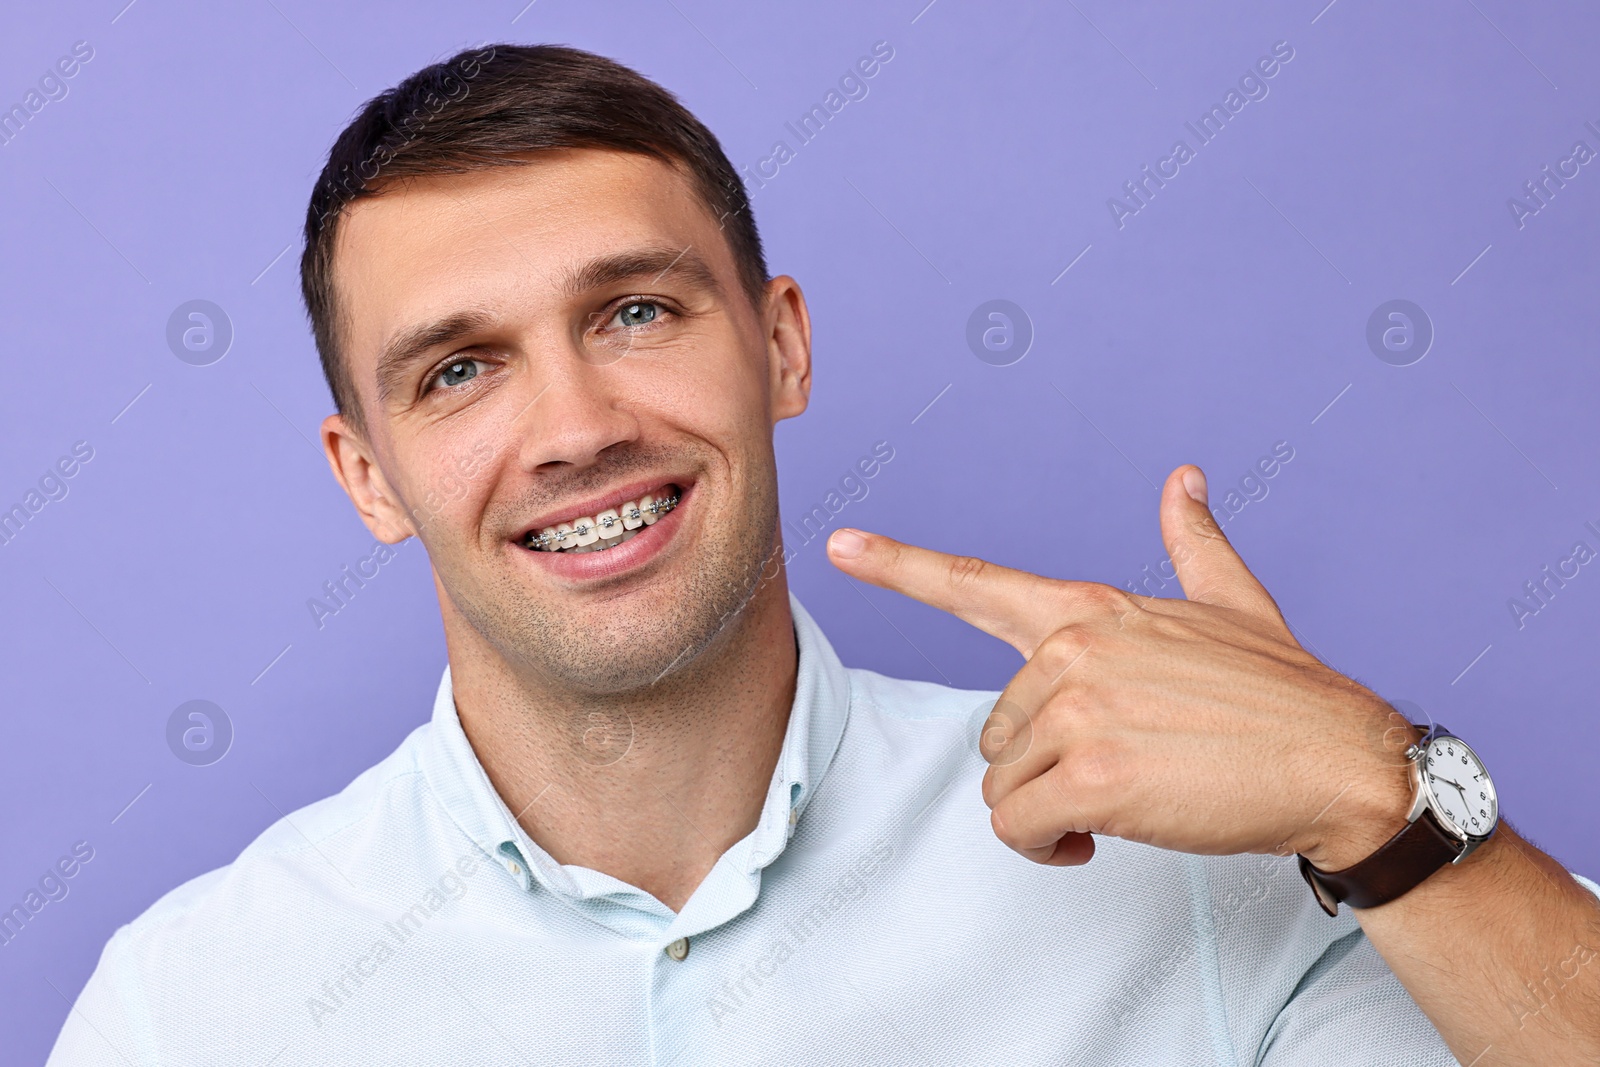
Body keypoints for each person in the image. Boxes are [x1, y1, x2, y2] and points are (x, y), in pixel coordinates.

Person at [50, 44, 1600, 1066]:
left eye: (636, 312)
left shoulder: (1203, 877)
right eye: (458, 369)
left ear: (781, 346)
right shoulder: (194, 1009)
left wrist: (1377, 784)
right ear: (366, 477)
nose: (575, 425)